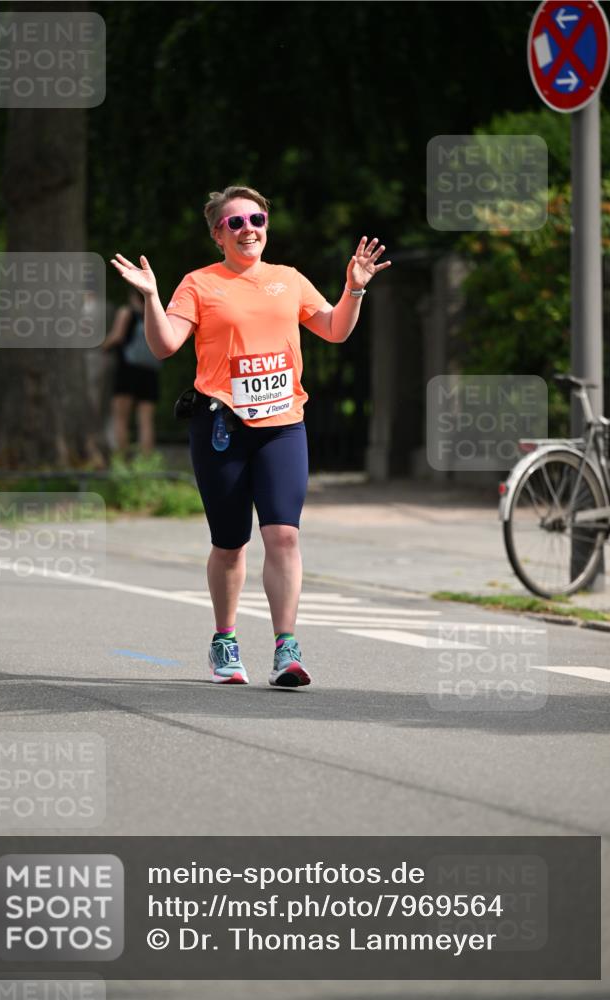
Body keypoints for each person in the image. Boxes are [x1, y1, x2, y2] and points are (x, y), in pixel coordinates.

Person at [110, 185, 390, 687]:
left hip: (283, 426)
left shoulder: (288, 279)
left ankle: (287, 648)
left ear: (266, 226)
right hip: (221, 427)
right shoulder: (199, 284)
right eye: (235, 223)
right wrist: (151, 297)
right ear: (218, 234)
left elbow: (334, 329)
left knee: (283, 535)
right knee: (231, 543)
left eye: (256, 219)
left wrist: (355, 288)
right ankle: (225, 640)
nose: (248, 230)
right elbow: (165, 344)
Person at [101, 287, 162, 455]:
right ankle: (147, 461)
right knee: (146, 420)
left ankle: (122, 460)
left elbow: (117, 336)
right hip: (150, 371)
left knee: (121, 418)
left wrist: (102, 347)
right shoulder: (154, 314)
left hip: (128, 370)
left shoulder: (126, 312)